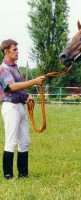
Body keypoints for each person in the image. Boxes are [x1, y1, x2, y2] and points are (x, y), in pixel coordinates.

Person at [0, 39, 45, 180]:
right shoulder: (4, 68)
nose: (17, 52)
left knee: (25, 140)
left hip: (20, 106)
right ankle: (8, 175)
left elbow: (19, 88)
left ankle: (23, 174)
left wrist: (27, 96)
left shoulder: (15, 68)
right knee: (11, 140)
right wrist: (35, 81)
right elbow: (11, 86)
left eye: (17, 49)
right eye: (14, 49)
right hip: (10, 107)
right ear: (6, 51)